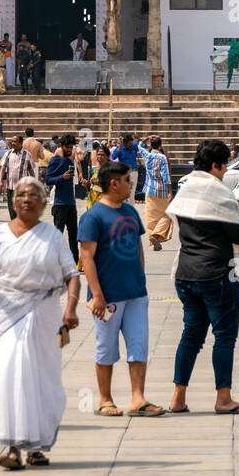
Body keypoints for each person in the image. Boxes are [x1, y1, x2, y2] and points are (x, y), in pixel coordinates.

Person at [0, 176, 80, 470]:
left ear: (44, 203)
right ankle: (10, 446)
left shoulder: (53, 237)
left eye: (33, 194)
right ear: (13, 200)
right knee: (5, 375)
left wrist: (71, 309)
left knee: (39, 379)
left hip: (43, 315)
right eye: (20, 194)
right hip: (4, 315)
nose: (25, 199)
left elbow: (72, 275)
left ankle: (36, 446)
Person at [166, 138, 239, 414]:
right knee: (223, 336)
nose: (224, 172)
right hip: (218, 275)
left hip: (186, 274)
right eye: (224, 166)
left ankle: (178, 397)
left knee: (191, 336)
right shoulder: (219, 193)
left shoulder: (184, 189)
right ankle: (223, 398)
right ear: (216, 165)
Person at [77, 160, 164, 417]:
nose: (131, 183)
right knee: (106, 347)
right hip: (108, 297)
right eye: (127, 180)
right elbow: (87, 257)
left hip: (136, 293)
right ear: (113, 183)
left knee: (139, 345)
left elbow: (137, 247)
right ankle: (105, 399)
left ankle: (138, 398)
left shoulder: (130, 211)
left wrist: (141, 278)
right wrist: (97, 295)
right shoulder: (93, 217)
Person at [45, 133, 79, 264]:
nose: (69, 150)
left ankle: (74, 262)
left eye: (71, 147)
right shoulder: (55, 160)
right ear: (61, 146)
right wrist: (61, 178)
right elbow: (48, 180)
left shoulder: (70, 162)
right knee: (58, 235)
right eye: (67, 147)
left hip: (71, 203)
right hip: (59, 204)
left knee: (73, 235)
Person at [139, 135, 173, 251]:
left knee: (151, 218)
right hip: (161, 191)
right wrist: (170, 191)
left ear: (151, 145)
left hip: (149, 190)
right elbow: (166, 176)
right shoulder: (162, 158)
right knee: (168, 214)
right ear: (160, 145)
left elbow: (139, 146)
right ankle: (156, 235)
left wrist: (147, 138)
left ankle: (154, 241)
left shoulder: (146, 155)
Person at [0, 135, 33, 220]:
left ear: (21, 143)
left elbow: (31, 171)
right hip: (10, 188)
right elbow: (3, 168)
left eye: (15, 141)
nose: (13, 143)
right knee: (12, 211)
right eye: (12, 141)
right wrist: (0, 182)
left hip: (22, 189)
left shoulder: (27, 155)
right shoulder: (8, 153)